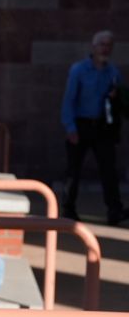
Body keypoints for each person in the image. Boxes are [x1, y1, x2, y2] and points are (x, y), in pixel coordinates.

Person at [61, 30, 123, 225]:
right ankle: (68, 209)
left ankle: (114, 210)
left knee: (109, 170)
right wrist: (70, 127)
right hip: (81, 123)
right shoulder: (79, 70)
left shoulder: (113, 72)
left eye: (108, 45)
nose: (105, 48)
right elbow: (69, 100)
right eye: (102, 44)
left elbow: (119, 101)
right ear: (93, 47)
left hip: (103, 127)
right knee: (74, 170)